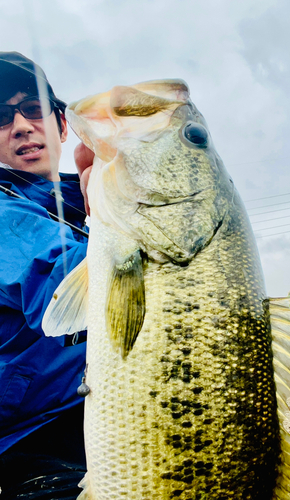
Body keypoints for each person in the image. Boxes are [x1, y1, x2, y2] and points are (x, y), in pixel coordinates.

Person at [0, 52, 94, 499]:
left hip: (102, 406)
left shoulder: (81, 206)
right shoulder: (4, 213)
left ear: (61, 125)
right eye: (0, 116)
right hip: (37, 441)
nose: (20, 125)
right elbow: (65, 291)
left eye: (34, 109)